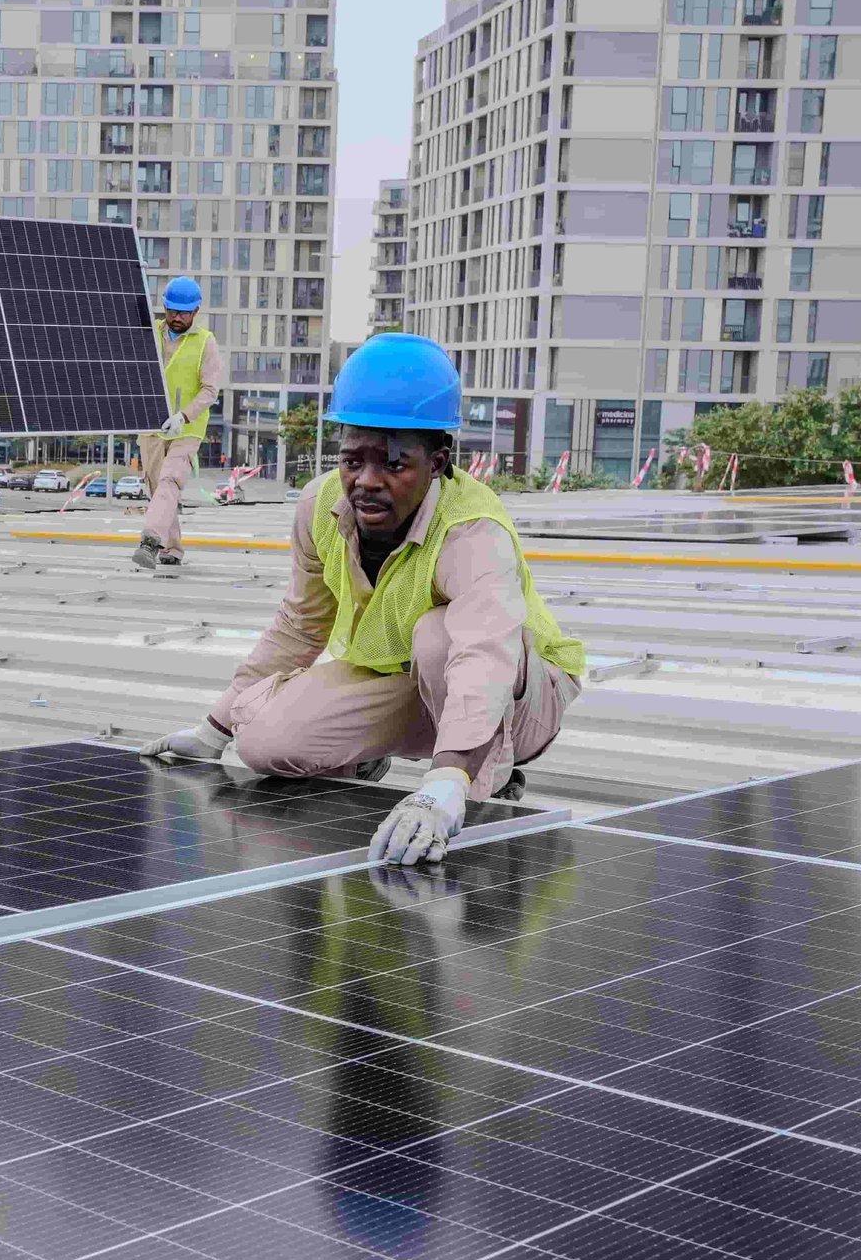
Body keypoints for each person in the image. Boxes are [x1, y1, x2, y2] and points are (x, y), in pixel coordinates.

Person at [139, 333, 585, 866]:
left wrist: (444, 780)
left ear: (439, 461)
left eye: (394, 465)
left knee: (439, 636)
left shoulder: (472, 531)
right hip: (405, 679)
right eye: (353, 461)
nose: (366, 482)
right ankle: (387, 760)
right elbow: (300, 626)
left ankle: (477, 782)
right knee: (263, 744)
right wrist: (213, 731)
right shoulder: (320, 506)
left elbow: (483, 655)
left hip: (520, 695)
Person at [133, 276, 223, 571]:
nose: (177, 318)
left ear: (196, 311)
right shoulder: (150, 333)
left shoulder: (205, 342)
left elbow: (210, 390)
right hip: (151, 424)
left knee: (171, 480)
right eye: (172, 311)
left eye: (184, 313)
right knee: (157, 486)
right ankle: (172, 547)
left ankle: (150, 541)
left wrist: (183, 415)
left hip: (186, 428)